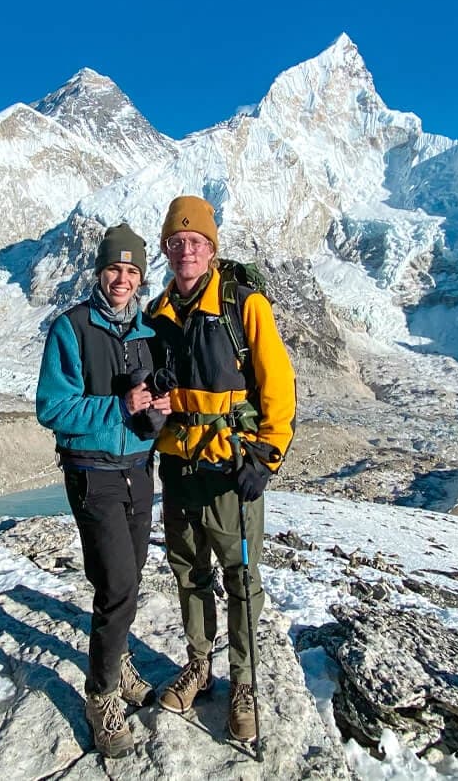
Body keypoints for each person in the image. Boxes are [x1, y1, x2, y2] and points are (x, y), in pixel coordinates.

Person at [146, 196, 296, 744]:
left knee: (240, 579)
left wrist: (266, 456)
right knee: (190, 573)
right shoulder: (158, 314)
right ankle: (198, 665)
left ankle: (245, 684)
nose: (185, 250)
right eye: (176, 241)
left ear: (212, 248)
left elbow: (277, 383)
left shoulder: (243, 305)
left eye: (196, 241)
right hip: (179, 468)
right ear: (167, 248)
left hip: (233, 470)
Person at [35, 223, 172, 759]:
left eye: (132, 270)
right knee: (117, 584)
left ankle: (117, 662)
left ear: (141, 277)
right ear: (98, 271)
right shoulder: (71, 329)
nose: (122, 278)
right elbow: (52, 407)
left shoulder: (148, 333)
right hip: (92, 473)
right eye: (114, 268)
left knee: (130, 578)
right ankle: (100, 695)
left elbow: (154, 406)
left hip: (140, 471)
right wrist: (119, 405)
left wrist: (156, 412)